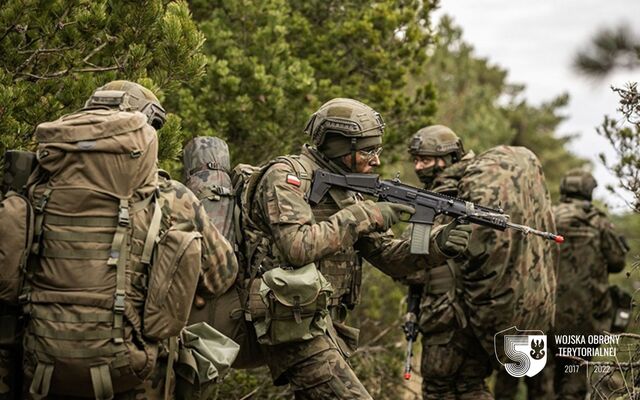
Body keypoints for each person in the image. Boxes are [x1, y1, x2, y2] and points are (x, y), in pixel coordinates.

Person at [13, 80, 238, 400]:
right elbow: (222, 275)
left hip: (41, 370)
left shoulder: (33, 189)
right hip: (135, 375)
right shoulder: (170, 197)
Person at [244, 99, 472, 399]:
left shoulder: (350, 191)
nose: (376, 160)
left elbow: (389, 256)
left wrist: (438, 243)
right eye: (368, 151)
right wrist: (367, 215)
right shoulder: (287, 178)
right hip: (291, 322)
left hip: (321, 325)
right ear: (340, 147)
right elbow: (297, 246)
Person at [405, 125, 558, 400]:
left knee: (438, 389)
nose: (419, 167)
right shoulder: (479, 190)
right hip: (480, 313)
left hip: (445, 317)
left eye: (425, 160)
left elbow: (412, 262)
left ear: (448, 158)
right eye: (416, 160)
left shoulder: (438, 198)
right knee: (472, 386)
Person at [550, 168, 628, 400]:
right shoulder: (599, 222)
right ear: (588, 191)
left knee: (541, 380)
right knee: (574, 379)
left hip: (546, 314)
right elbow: (617, 262)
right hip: (586, 317)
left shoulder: (547, 216)